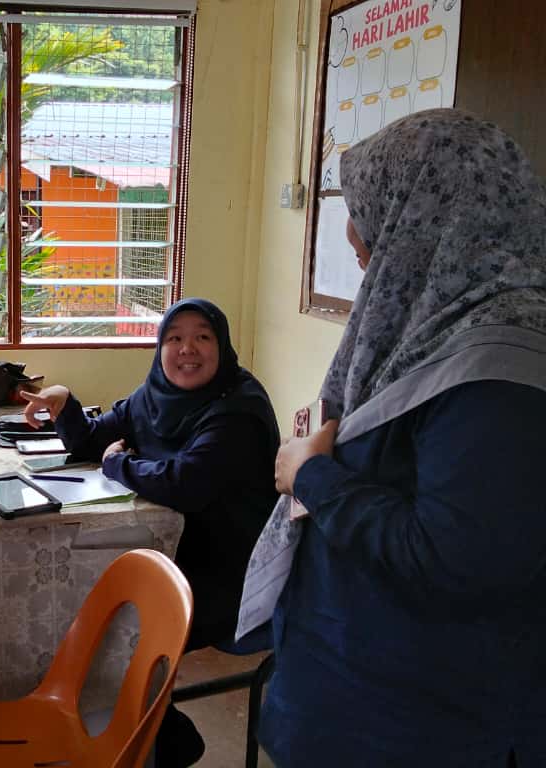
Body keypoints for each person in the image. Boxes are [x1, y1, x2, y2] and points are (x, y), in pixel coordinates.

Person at [256, 109, 546, 766]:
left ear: (429, 215)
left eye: (372, 214)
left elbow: (454, 558)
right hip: (359, 690)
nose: (356, 239)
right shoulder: (435, 324)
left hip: (413, 720)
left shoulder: (501, 368)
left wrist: (311, 476)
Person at [22, 297, 280, 766]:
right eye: (174, 338)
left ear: (222, 346)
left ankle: (159, 736)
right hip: (171, 555)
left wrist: (120, 464)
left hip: (227, 575)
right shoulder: (153, 395)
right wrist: (64, 402)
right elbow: (93, 439)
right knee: (79, 605)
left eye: (202, 337)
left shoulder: (238, 409)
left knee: (109, 622)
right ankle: (142, 727)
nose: (187, 349)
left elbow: (185, 484)